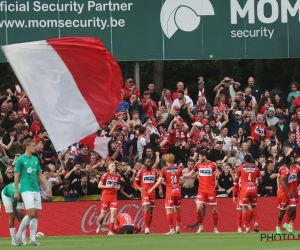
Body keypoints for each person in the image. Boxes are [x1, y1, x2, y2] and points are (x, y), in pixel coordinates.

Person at [13, 139, 52, 246]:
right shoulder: (20, 160)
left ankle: (33, 239)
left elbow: (40, 174)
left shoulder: (35, 159)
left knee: (36, 215)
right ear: (27, 146)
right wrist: (16, 191)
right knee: (30, 213)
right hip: (26, 190)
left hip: (36, 190)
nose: (35, 147)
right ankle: (19, 234)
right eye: (33, 145)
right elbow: (16, 176)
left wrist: (47, 187)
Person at [184, 151, 219, 233]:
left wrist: (217, 177)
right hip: (201, 190)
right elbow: (189, 175)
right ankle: (200, 226)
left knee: (214, 210)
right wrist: (179, 175)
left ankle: (215, 228)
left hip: (210, 190)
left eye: (200, 156)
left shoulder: (213, 164)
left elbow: (216, 175)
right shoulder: (198, 165)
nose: (198, 158)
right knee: (198, 208)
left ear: (204, 156)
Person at [148, 154, 183, 234]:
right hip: (178, 191)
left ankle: (171, 229)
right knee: (177, 208)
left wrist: (152, 188)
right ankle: (177, 227)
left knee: (169, 209)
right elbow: (182, 182)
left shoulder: (164, 169)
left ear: (166, 161)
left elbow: (159, 181)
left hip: (170, 192)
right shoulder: (178, 169)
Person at [133, 158, 163, 234]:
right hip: (145, 193)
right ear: (145, 163)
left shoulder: (154, 171)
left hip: (152, 193)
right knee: (147, 208)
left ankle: (148, 228)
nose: (149, 163)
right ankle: (146, 228)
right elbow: (135, 182)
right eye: (147, 162)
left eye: (150, 162)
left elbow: (157, 182)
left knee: (150, 211)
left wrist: (160, 189)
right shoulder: (141, 172)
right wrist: (139, 188)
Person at [235, 155, 262, 233]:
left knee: (244, 209)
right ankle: (256, 223)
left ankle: (247, 227)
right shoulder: (256, 168)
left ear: (244, 160)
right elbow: (260, 181)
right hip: (253, 189)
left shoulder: (241, 168)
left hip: (245, 190)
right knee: (253, 207)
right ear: (251, 160)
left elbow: (235, 179)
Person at [96, 162, 121, 235]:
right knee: (102, 215)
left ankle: (110, 231)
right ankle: (100, 224)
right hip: (106, 196)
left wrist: (118, 188)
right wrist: (108, 187)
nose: (114, 167)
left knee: (113, 213)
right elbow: (99, 186)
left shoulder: (118, 176)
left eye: (114, 165)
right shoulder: (105, 175)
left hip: (114, 196)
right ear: (108, 168)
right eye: (112, 166)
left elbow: (119, 185)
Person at [276, 156, 299, 233]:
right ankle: (278, 226)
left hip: (290, 192)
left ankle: (286, 224)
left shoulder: (288, 169)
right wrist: (289, 192)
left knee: (293, 209)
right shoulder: (284, 169)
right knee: (282, 211)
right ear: (289, 161)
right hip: (284, 193)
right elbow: (283, 181)